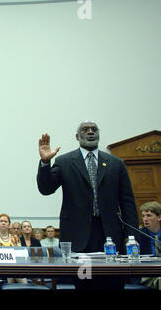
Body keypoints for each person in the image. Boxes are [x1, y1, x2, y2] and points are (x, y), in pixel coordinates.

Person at [37, 120, 139, 290]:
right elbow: (46, 189)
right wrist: (45, 164)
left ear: (98, 134)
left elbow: (127, 201)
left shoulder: (116, 163)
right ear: (77, 137)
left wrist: (131, 236)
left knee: (113, 284)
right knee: (85, 284)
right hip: (79, 238)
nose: (90, 132)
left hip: (110, 236)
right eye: (85, 130)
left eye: (94, 129)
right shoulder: (65, 161)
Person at [138, 201, 160, 289]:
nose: (145, 219)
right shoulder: (138, 235)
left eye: (149, 215)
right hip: (147, 274)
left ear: (159, 217)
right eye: (143, 216)